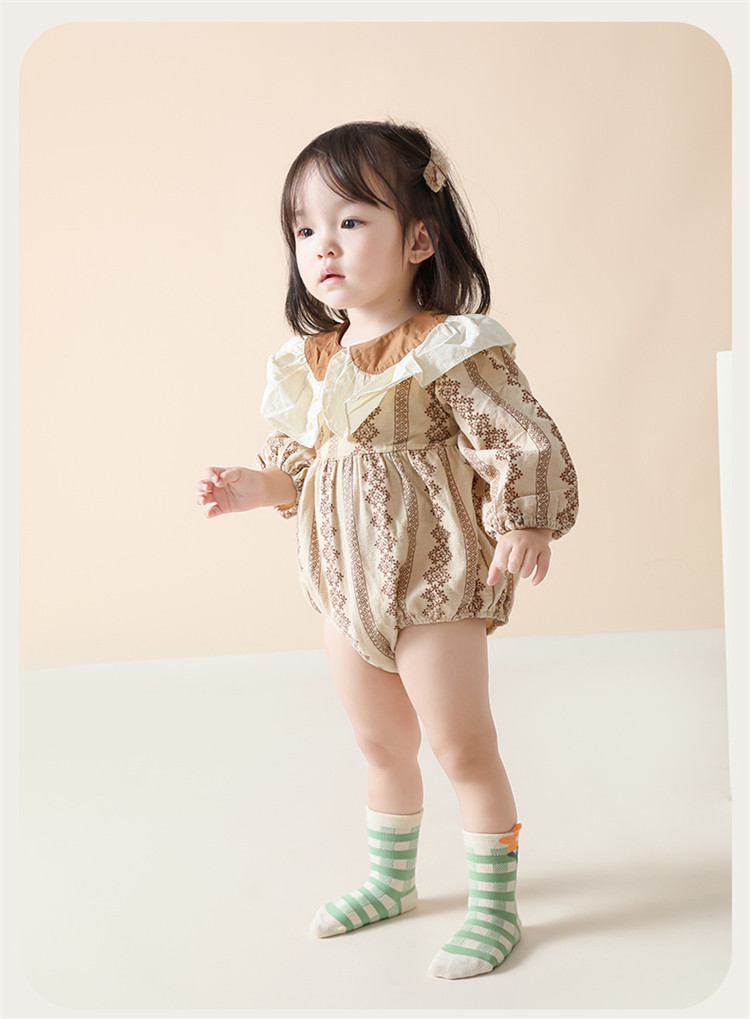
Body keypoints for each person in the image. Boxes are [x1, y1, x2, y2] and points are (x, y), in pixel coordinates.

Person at [197, 120, 578, 980]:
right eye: (305, 228)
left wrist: (526, 518)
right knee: (379, 745)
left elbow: (518, 436)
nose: (323, 244)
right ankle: (391, 880)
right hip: (345, 587)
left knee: (461, 745)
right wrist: (257, 486)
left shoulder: (449, 348)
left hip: (434, 578)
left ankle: (495, 906)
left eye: (350, 220)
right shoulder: (314, 362)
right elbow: (305, 465)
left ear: (418, 239)